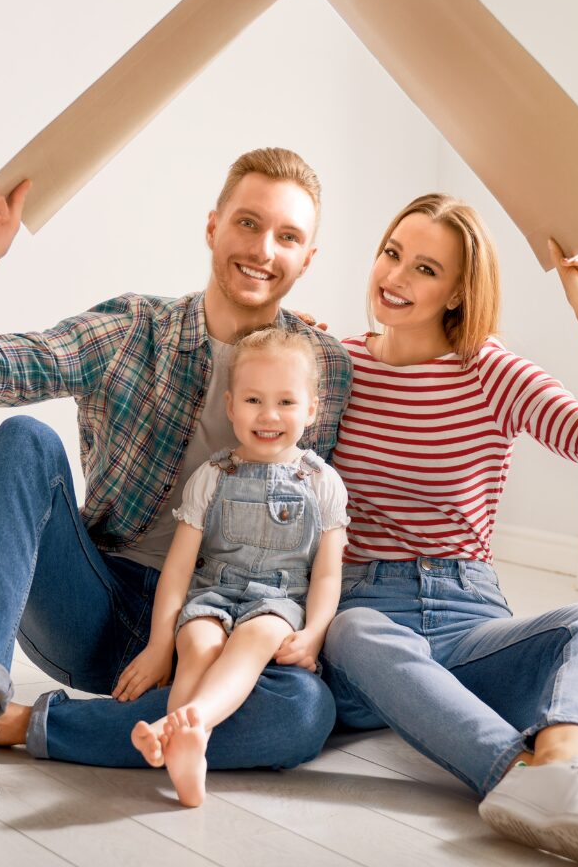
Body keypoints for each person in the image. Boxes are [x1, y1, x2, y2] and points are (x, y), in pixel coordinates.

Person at [0, 148, 352, 850]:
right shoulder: (134, 329)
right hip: (99, 606)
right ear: (213, 227)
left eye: (287, 237)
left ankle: (8, 723)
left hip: (227, 630)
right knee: (24, 439)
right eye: (247, 223)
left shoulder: (327, 368)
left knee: (303, 713)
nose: (262, 249)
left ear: (308, 259)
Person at [320, 194, 578, 867]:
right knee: (353, 630)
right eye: (392, 253)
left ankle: (558, 771)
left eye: (425, 269)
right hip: (364, 622)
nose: (396, 277)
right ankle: (568, 790)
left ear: (459, 291)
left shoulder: (489, 371)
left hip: (470, 619)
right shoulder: (333, 364)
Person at [127, 326, 348, 806]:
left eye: (286, 403)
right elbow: (179, 570)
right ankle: (190, 748)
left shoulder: (322, 482)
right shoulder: (212, 476)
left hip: (277, 602)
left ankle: (183, 726)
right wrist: (160, 643)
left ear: (312, 409)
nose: (268, 415)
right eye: (253, 400)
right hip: (212, 593)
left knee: (255, 637)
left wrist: (313, 633)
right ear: (230, 406)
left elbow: (328, 574)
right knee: (199, 643)